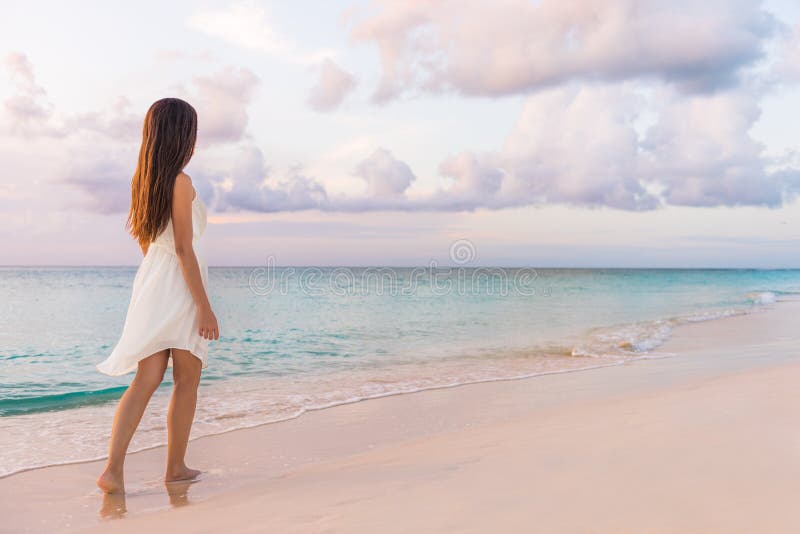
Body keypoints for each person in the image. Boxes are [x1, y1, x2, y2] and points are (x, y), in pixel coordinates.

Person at [95, 97, 219, 494]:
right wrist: (204, 307)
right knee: (187, 379)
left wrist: (157, 280)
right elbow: (184, 248)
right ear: (182, 136)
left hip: (152, 281)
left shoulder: (143, 180)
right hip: (180, 285)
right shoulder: (181, 181)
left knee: (146, 379)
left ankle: (112, 471)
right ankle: (175, 468)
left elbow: (147, 242)